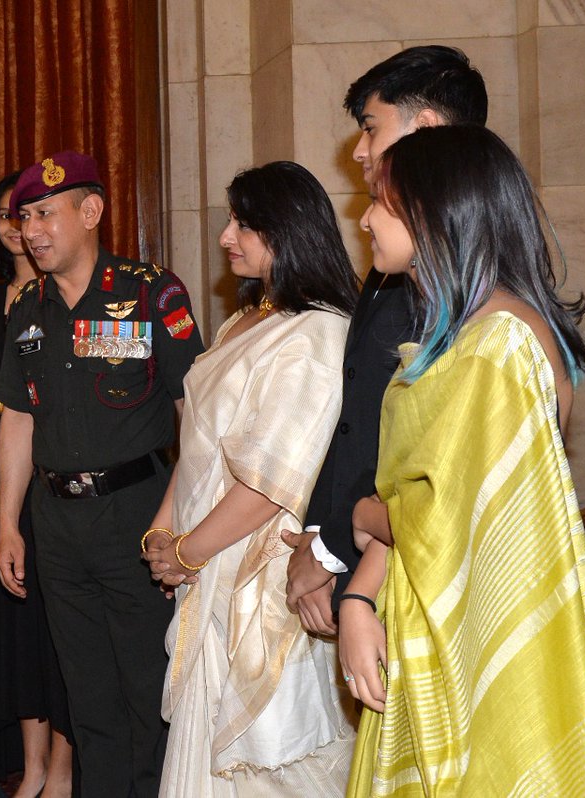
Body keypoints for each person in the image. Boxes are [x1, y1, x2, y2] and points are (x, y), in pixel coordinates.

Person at [340, 125, 585, 795]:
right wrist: (359, 597)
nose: (366, 220)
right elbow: (424, 495)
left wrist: (366, 516)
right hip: (433, 612)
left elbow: (454, 518)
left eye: (379, 202)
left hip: (483, 632)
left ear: (432, 211)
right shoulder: (469, 334)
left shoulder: (500, 345)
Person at [142, 162, 359, 795]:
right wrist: (161, 531)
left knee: (267, 766)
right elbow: (200, 445)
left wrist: (187, 551)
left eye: (243, 223)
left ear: (287, 229)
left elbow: (273, 481)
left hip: (256, 575)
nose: (225, 236)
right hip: (207, 557)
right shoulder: (245, 320)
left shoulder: (317, 331)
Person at [0, 151, 205, 796]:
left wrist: (170, 522)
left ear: (90, 212)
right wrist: (9, 524)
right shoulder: (28, 308)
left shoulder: (150, 293)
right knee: (85, 691)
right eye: (24, 218)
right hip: (57, 522)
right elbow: (18, 419)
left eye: (45, 214)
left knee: (147, 684)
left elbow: (195, 419)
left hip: (136, 512)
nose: (31, 231)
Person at [284, 45, 488, 635]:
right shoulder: (396, 258)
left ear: (424, 127)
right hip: (367, 549)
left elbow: (430, 472)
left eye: (371, 127)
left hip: (416, 574)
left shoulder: (468, 279)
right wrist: (322, 537)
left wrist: (335, 559)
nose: (359, 150)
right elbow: (358, 411)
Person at [0, 172, 73, 797]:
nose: (17, 226)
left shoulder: (64, 292)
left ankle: (62, 769)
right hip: (2, 478)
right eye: (7, 215)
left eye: (27, 213)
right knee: (15, 631)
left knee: (56, 631)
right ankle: (32, 768)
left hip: (54, 477)